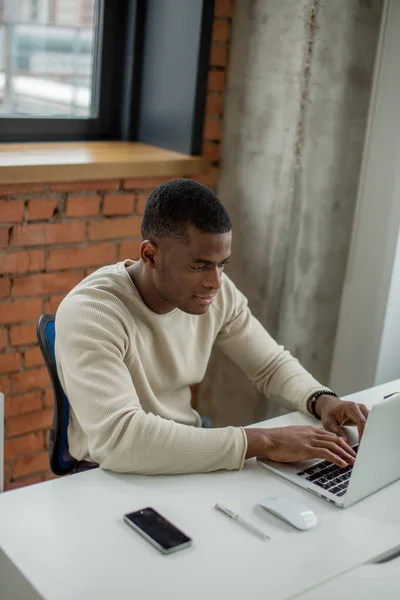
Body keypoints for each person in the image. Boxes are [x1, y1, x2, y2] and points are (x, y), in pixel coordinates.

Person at [55, 178, 368, 475]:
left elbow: (269, 364)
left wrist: (322, 400)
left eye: (222, 264)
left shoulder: (215, 292)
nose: (215, 282)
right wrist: (265, 441)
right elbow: (121, 440)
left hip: (184, 450)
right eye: (199, 266)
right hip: (106, 471)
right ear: (150, 255)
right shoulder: (92, 312)